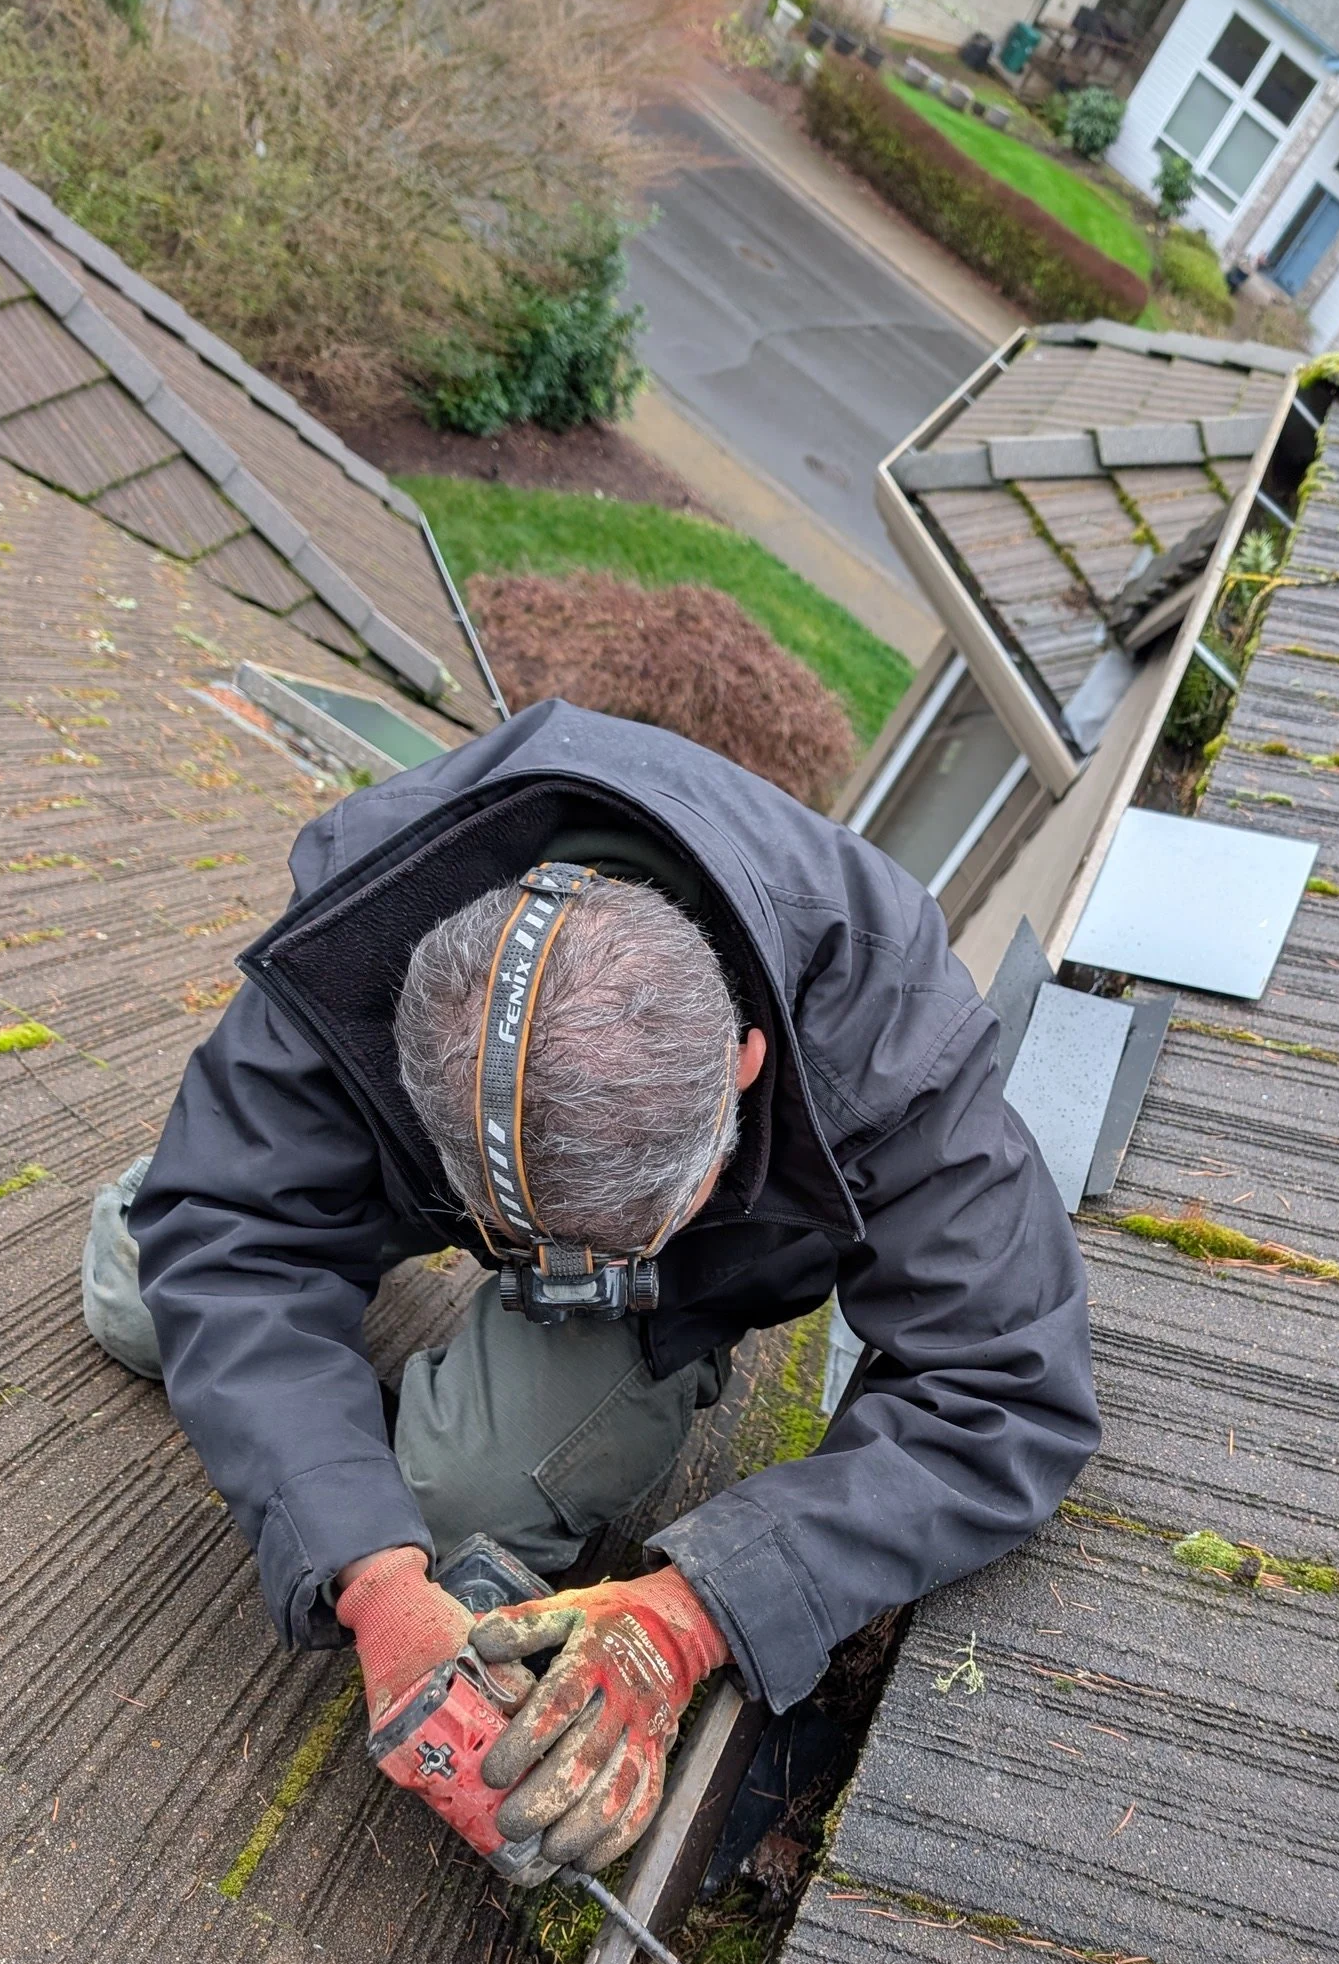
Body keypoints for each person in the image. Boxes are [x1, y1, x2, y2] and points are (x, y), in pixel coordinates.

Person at [85, 703, 1099, 1875]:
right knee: (147, 1286)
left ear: (744, 1069)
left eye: (607, 1245)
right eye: (535, 1249)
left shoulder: (889, 1042)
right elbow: (226, 1230)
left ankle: (384, 1368)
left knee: (447, 1500)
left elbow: (1011, 1388)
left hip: (678, 1284)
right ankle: (276, 1197)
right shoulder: (378, 918)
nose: (561, 1283)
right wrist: (370, 1579)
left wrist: (696, 1609)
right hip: (423, 1146)